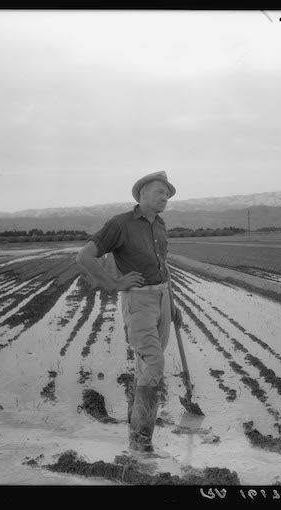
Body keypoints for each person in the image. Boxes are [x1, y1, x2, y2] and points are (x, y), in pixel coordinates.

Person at [75, 171, 183, 455]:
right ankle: (141, 440)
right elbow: (84, 257)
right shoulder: (120, 224)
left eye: (168, 194)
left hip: (161, 298)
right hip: (139, 301)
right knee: (155, 363)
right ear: (143, 194)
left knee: (146, 366)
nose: (166, 198)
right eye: (161, 192)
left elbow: (164, 267)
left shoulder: (159, 225)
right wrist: (114, 284)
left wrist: (171, 303)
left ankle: (136, 430)